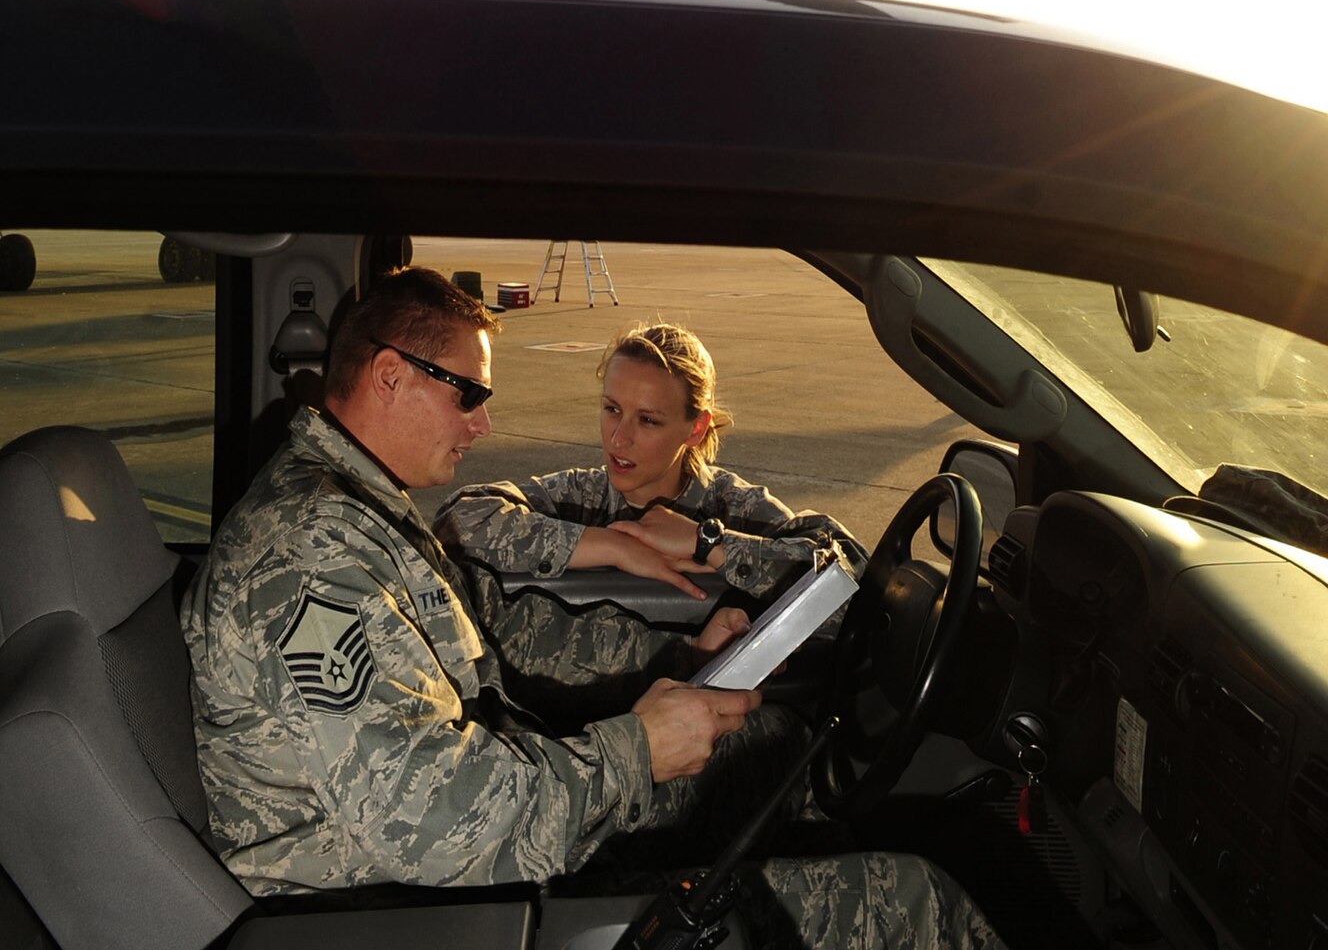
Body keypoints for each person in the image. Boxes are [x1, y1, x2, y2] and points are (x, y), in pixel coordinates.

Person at [181, 268, 1005, 947]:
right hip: (415, 914)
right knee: (915, 902)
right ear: (391, 375)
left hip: (443, 878)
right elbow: (432, 820)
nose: (483, 421)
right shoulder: (309, 554)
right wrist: (635, 752)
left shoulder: (347, 511)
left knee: (761, 764)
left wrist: (677, 678)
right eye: (467, 394)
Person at [436, 320, 868, 608]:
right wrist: (613, 546)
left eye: (648, 420)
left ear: (695, 430)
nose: (618, 438)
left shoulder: (735, 509)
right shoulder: (580, 499)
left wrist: (709, 544)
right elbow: (458, 520)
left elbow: (849, 584)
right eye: (611, 409)